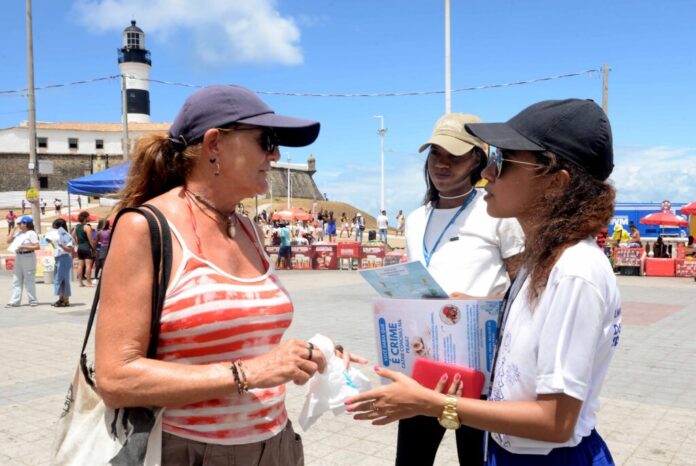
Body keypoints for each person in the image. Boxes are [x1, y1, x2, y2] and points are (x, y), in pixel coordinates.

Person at [94, 85, 366, 465]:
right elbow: (115, 379)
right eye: (266, 140)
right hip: (191, 451)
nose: (276, 154)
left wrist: (306, 356)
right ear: (214, 144)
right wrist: (251, 372)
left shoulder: (249, 229)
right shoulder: (145, 228)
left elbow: (244, 340)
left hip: (276, 443)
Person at [348, 99, 621, 466]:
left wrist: (432, 403)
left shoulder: (574, 271)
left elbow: (556, 422)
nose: (488, 174)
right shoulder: (542, 262)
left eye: (504, 162)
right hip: (508, 444)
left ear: (556, 184)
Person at [394, 112, 525, 466]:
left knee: (478, 461)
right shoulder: (417, 217)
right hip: (425, 366)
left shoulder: (498, 212)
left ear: (477, 161)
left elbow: (524, 291)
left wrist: (479, 304)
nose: (442, 164)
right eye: (436, 153)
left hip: (481, 368)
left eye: (455, 156)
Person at [5, 216, 40, 307]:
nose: (19, 225)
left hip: (28, 255)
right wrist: (13, 230)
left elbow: (37, 246)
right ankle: (15, 301)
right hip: (19, 256)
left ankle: (32, 300)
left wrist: (24, 247)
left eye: (20, 223)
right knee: (16, 279)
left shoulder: (31, 233)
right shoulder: (19, 233)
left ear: (26, 224)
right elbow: (8, 241)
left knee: (29, 279)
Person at [47, 218, 74, 307]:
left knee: (63, 279)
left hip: (65, 258)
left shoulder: (67, 236)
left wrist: (61, 245)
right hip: (58, 258)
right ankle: (61, 298)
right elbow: (56, 247)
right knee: (58, 279)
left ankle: (66, 300)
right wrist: (51, 241)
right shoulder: (57, 236)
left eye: (55, 227)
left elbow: (70, 249)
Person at [72, 211, 96, 287]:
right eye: (88, 217)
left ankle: (80, 283)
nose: (89, 218)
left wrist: (76, 243)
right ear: (85, 218)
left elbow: (72, 236)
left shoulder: (76, 227)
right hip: (87, 247)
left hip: (80, 247)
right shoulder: (87, 227)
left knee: (80, 265)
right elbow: (90, 239)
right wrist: (94, 248)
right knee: (88, 265)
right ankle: (89, 282)